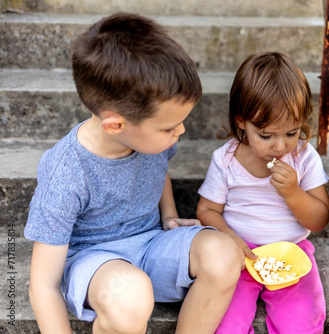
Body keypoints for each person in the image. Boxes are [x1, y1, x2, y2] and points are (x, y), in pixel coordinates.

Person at [24, 12, 240, 334]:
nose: (179, 131)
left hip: (151, 245)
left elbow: (158, 168)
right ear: (115, 125)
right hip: (95, 264)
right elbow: (43, 286)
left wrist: (168, 215)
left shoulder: (151, 139)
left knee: (223, 252)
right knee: (129, 295)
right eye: (169, 126)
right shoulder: (66, 172)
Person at [197, 52, 329, 333]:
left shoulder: (304, 158)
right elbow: (207, 210)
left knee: (303, 322)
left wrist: (293, 193)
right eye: (266, 135)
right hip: (239, 255)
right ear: (242, 121)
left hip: (291, 256)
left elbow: (319, 220)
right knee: (224, 323)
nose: (280, 146)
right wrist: (231, 239)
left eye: (291, 133)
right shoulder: (226, 160)